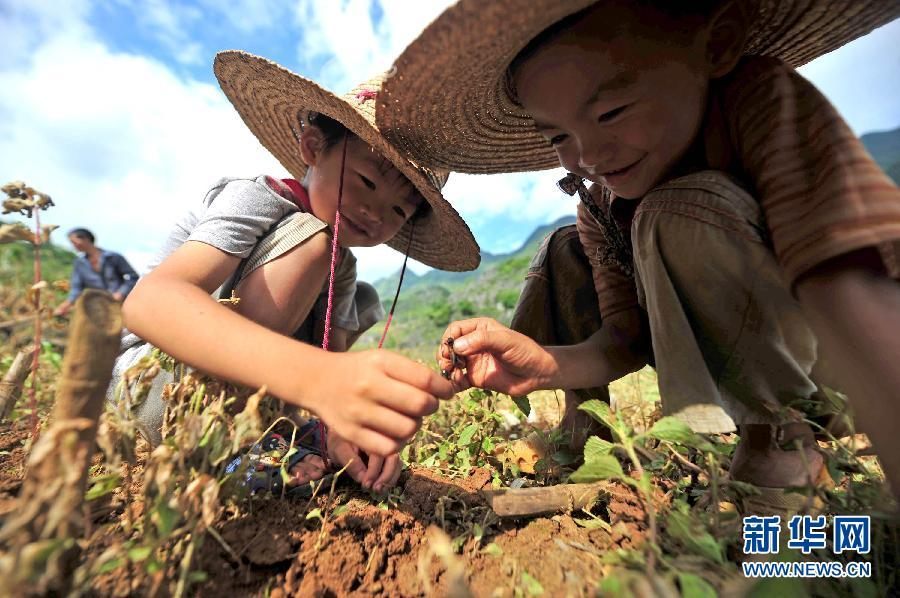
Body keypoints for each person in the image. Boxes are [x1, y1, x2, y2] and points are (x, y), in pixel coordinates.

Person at [379, 0, 900, 504]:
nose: (589, 155)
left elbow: (844, 284)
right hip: (724, 344)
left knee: (672, 211)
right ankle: (583, 424)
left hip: (842, 364)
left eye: (611, 111)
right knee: (563, 247)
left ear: (716, 44)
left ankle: (779, 437)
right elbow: (624, 340)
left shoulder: (759, 103)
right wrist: (544, 364)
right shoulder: (599, 206)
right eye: (559, 134)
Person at [110, 51, 480, 494]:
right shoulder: (256, 199)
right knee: (314, 241)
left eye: (399, 210)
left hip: (256, 403)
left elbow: (335, 362)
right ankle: (228, 442)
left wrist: (344, 427)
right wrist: (319, 380)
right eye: (365, 181)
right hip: (158, 389)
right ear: (312, 147)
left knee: (359, 296)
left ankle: (270, 432)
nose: (374, 212)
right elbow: (150, 301)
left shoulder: (342, 265)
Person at [53, 228, 139, 316]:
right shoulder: (79, 263)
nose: (73, 245)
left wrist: (120, 293)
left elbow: (133, 276)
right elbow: (77, 287)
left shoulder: (113, 257)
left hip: (122, 304)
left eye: (74, 242)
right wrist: (66, 305)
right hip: (99, 307)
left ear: (86, 239)